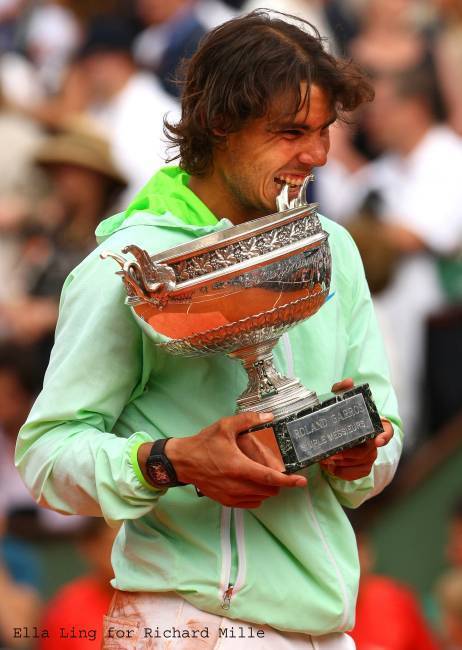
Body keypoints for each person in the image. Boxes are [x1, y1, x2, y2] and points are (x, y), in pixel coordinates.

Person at [16, 11, 403, 649]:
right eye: (290, 131)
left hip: (326, 629)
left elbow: (383, 432)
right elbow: (46, 455)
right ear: (219, 123)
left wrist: (360, 451)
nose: (317, 155)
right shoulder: (130, 267)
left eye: (324, 131)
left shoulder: (334, 247)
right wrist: (170, 462)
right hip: (185, 622)